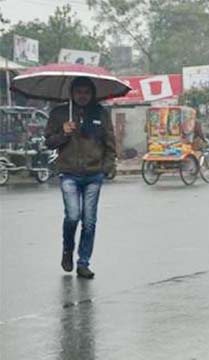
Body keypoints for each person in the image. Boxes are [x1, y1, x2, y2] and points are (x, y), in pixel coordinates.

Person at [45, 77, 116, 279]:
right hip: (68, 173)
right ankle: (67, 249)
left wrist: (108, 166)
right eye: (78, 92)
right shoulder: (59, 113)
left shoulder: (101, 113)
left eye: (86, 92)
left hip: (94, 174)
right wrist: (64, 132)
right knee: (73, 216)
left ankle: (83, 263)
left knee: (89, 221)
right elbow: (49, 142)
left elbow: (109, 143)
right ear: (72, 93)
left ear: (92, 94)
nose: (82, 96)